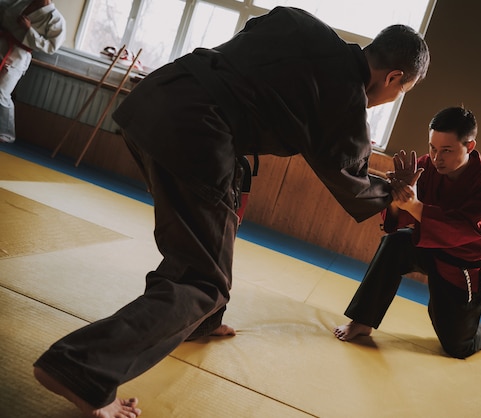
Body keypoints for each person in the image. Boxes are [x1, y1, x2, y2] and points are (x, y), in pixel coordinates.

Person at [33, 6, 430, 417]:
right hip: (197, 133)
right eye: (400, 92)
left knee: (207, 234)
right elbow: (347, 174)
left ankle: (201, 322)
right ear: (394, 77)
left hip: (155, 97)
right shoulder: (345, 98)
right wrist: (395, 192)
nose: (389, 99)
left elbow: (251, 46)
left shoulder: (299, 21)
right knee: (204, 281)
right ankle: (82, 365)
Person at [334, 106, 481, 360]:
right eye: (432, 148)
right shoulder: (426, 168)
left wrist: (415, 205)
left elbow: (463, 229)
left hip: (461, 266)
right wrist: (397, 197)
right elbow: (396, 221)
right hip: (426, 247)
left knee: (456, 347)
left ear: (470, 146)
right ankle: (363, 321)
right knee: (395, 243)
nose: (437, 158)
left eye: (447, 150)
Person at [0, 0, 65, 143]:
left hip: (18, 55)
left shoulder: (56, 19)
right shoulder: (20, 2)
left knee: (2, 92)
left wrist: (29, 30)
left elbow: (51, 47)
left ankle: (5, 132)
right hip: (2, 43)